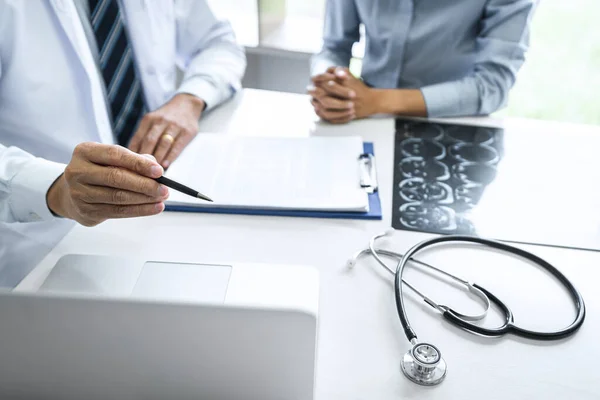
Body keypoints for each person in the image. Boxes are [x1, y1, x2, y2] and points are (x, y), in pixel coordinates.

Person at [0, 0, 245, 286]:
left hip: (154, 226)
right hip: (37, 252)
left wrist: (189, 99)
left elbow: (218, 43)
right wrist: (54, 189)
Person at [309, 0, 537, 124]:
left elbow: (492, 87)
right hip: (363, 119)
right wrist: (331, 87)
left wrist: (375, 101)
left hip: (454, 125)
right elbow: (334, 47)